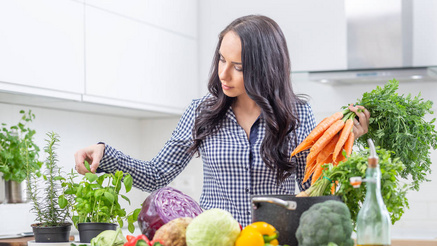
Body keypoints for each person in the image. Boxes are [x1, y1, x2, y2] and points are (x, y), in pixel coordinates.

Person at [74, 15, 370, 227]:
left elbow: (313, 189)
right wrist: (105, 155)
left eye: (238, 67)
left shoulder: (297, 115)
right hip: (215, 245)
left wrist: (347, 144)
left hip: (275, 244)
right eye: (221, 60)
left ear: (265, 69)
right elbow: (156, 174)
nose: (223, 74)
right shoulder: (201, 112)